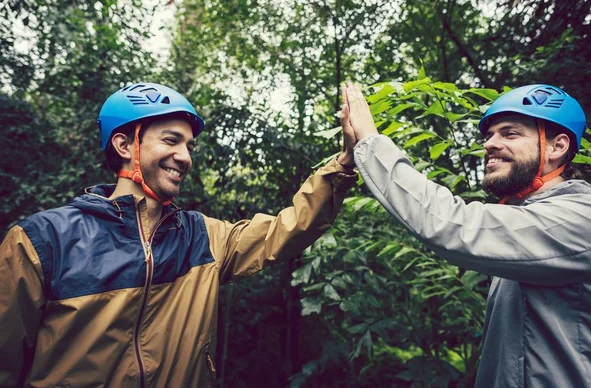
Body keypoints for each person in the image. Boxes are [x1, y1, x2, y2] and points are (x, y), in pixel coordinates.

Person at [0, 82, 358, 387]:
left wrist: (343, 165)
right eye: (171, 140)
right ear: (125, 145)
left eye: (189, 146)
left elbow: (288, 228)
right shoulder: (41, 242)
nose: (184, 157)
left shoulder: (202, 236)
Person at [341, 82, 591, 387]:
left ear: (558, 147)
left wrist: (371, 144)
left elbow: (454, 223)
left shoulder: (585, 218)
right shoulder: (530, 222)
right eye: (489, 135)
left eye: (510, 133)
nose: (490, 143)